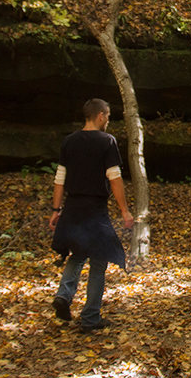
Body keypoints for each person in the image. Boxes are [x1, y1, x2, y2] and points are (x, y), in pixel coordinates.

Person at [49, 98, 134, 330]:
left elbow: (60, 179)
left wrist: (56, 210)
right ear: (100, 116)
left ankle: (64, 295)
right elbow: (114, 177)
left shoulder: (69, 141)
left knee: (76, 254)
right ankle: (90, 318)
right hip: (95, 209)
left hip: (72, 207)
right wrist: (124, 210)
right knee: (99, 260)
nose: (108, 120)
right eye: (107, 115)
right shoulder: (107, 141)